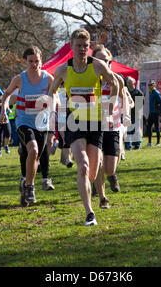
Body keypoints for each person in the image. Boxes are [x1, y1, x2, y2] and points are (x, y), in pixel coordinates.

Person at [48, 29, 119, 226]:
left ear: (89, 48)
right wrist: (55, 113)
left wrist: (110, 108)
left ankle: (90, 192)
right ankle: (89, 213)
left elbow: (116, 84)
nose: (82, 49)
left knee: (93, 173)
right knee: (83, 165)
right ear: (72, 46)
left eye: (85, 47)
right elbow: (52, 91)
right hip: (74, 121)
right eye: (78, 46)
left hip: (96, 121)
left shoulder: (98, 66)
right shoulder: (63, 70)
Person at [0, 46, 55, 207]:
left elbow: (54, 95)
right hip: (23, 122)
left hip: (41, 123)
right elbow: (6, 94)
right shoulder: (19, 79)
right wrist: (4, 109)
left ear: (41, 61)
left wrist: (53, 109)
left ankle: (25, 182)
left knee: (35, 156)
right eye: (31, 61)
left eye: (37, 61)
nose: (34, 64)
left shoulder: (48, 78)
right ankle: (30, 187)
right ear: (25, 61)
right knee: (34, 150)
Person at [92, 45, 129, 208]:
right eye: (100, 60)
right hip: (95, 126)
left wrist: (126, 114)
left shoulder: (117, 79)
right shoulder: (90, 78)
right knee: (97, 162)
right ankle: (102, 197)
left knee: (109, 168)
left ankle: (111, 175)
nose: (104, 64)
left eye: (107, 61)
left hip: (113, 126)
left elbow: (125, 98)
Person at [125, 77, 144, 150]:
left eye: (129, 82)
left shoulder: (139, 93)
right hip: (128, 115)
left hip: (136, 115)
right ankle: (128, 146)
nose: (128, 84)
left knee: (136, 131)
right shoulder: (126, 92)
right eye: (127, 82)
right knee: (128, 131)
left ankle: (137, 145)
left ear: (134, 83)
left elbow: (140, 106)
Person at [146, 80, 161, 147]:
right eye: (149, 85)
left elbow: (160, 102)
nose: (150, 86)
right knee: (149, 127)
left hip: (156, 113)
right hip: (151, 112)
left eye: (151, 84)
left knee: (157, 128)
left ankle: (158, 142)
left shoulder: (156, 92)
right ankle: (149, 142)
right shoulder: (150, 92)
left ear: (154, 85)